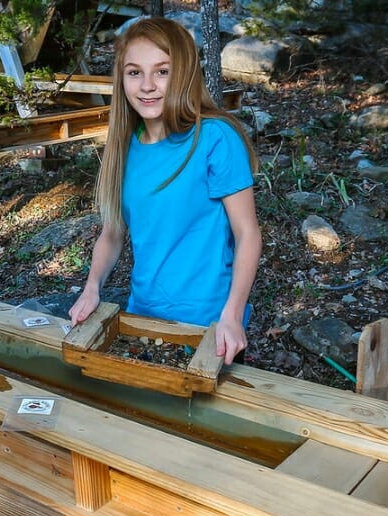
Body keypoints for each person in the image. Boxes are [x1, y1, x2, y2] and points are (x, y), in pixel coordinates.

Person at [69, 16, 262, 365]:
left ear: (183, 73)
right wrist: (92, 287)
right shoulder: (126, 147)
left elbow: (247, 234)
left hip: (209, 327)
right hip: (141, 316)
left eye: (161, 71)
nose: (147, 85)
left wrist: (231, 316)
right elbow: (113, 233)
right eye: (134, 72)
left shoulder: (215, 138)